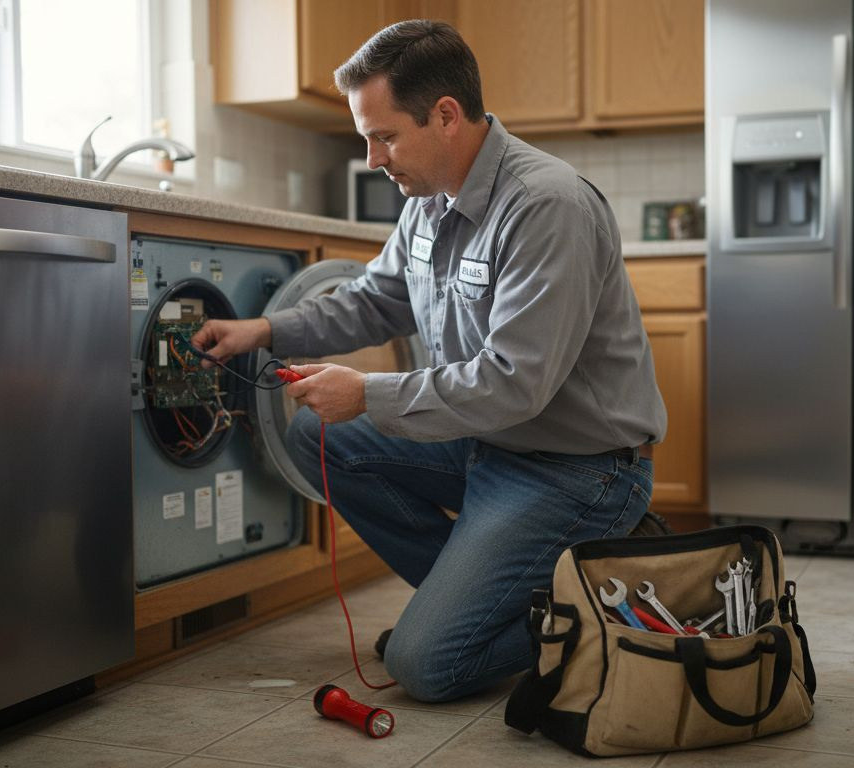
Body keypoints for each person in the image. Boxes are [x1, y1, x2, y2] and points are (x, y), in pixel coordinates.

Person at [191, 19, 667, 703]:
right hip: (489, 446)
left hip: (578, 472)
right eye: (366, 138)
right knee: (319, 439)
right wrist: (261, 329)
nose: (374, 158)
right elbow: (373, 301)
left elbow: (514, 383)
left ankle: (581, 599)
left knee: (424, 667)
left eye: (384, 136)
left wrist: (368, 393)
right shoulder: (428, 198)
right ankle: (474, 604)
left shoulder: (545, 206)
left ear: (446, 116)